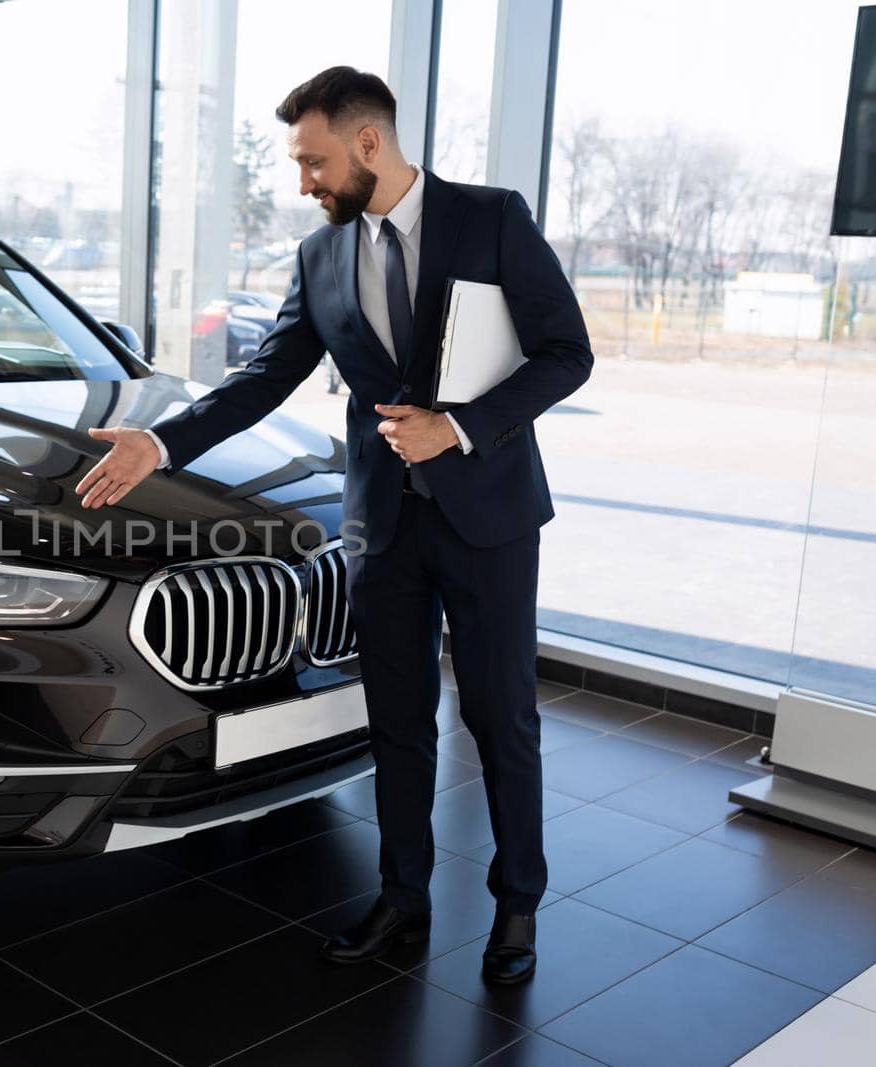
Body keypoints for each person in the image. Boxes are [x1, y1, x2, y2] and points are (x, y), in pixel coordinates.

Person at [75, 67, 592, 985]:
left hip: (489, 518)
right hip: (383, 525)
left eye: (313, 161)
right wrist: (161, 443)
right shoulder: (319, 259)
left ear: (367, 143)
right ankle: (404, 895)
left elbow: (567, 354)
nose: (303, 182)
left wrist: (459, 426)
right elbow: (262, 379)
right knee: (397, 719)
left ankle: (518, 905)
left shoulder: (493, 217)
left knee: (500, 717)